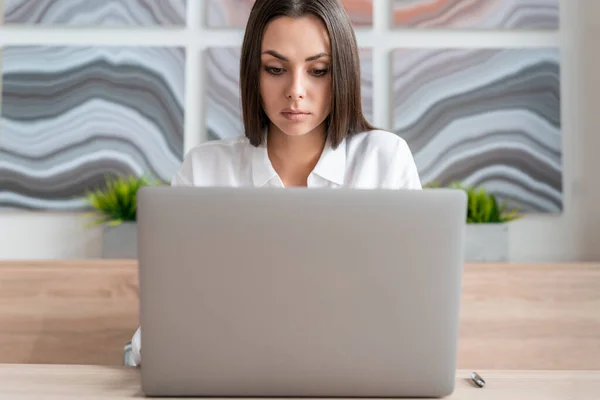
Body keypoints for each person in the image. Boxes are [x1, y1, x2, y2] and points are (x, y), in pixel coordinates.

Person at [123, 0, 422, 367]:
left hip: (355, 376)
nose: (295, 90)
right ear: (254, 73)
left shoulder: (384, 161)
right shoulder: (205, 171)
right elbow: (165, 323)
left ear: (342, 73)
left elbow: (409, 313)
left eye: (318, 70)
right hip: (231, 375)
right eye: (276, 68)